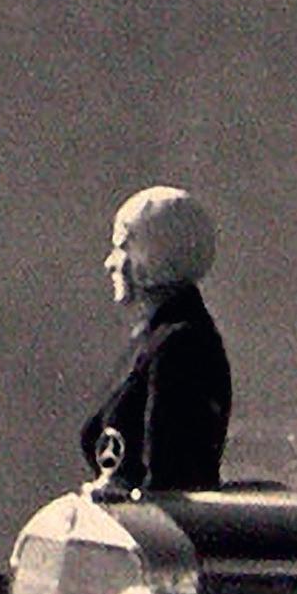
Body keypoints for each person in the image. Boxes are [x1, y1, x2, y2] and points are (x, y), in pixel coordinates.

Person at [79, 183, 230, 493]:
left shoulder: (181, 344)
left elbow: (172, 478)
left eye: (122, 246)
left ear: (155, 252)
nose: (110, 263)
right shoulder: (156, 338)